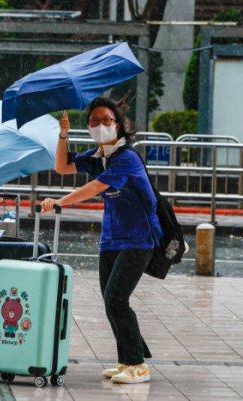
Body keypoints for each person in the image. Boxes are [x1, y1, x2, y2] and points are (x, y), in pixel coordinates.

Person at [42, 97, 163, 384]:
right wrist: (63, 134)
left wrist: (61, 201)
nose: (100, 125)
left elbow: (95, 187)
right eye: (94, 121)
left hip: (139, 239)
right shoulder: (98, 157)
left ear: (118, 125)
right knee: (111, 302)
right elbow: (62, 166)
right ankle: (126, 360)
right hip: (111, 239)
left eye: (106, 120)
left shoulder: (127, 159)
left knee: (116, 298)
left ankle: (138, 365)